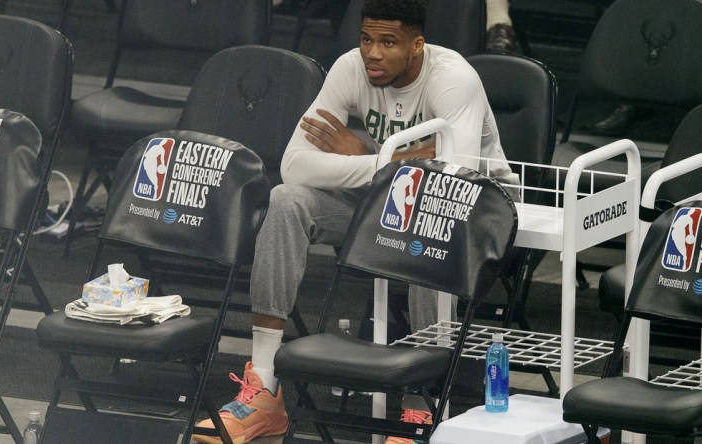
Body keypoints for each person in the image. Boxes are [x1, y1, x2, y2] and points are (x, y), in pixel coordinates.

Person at [193, 0, 517, 443]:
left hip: (472, 208)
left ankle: (422, 405)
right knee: (286, 200)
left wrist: (365, 155)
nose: (373, 53)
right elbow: (296, 164)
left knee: (427, 213)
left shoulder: (453, 78)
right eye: (367, 39)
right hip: (385, 199)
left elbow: (449, 173)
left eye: (388, 42)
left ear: (417, 45)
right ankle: (265, 386)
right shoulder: (350, 69)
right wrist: (384, 163)